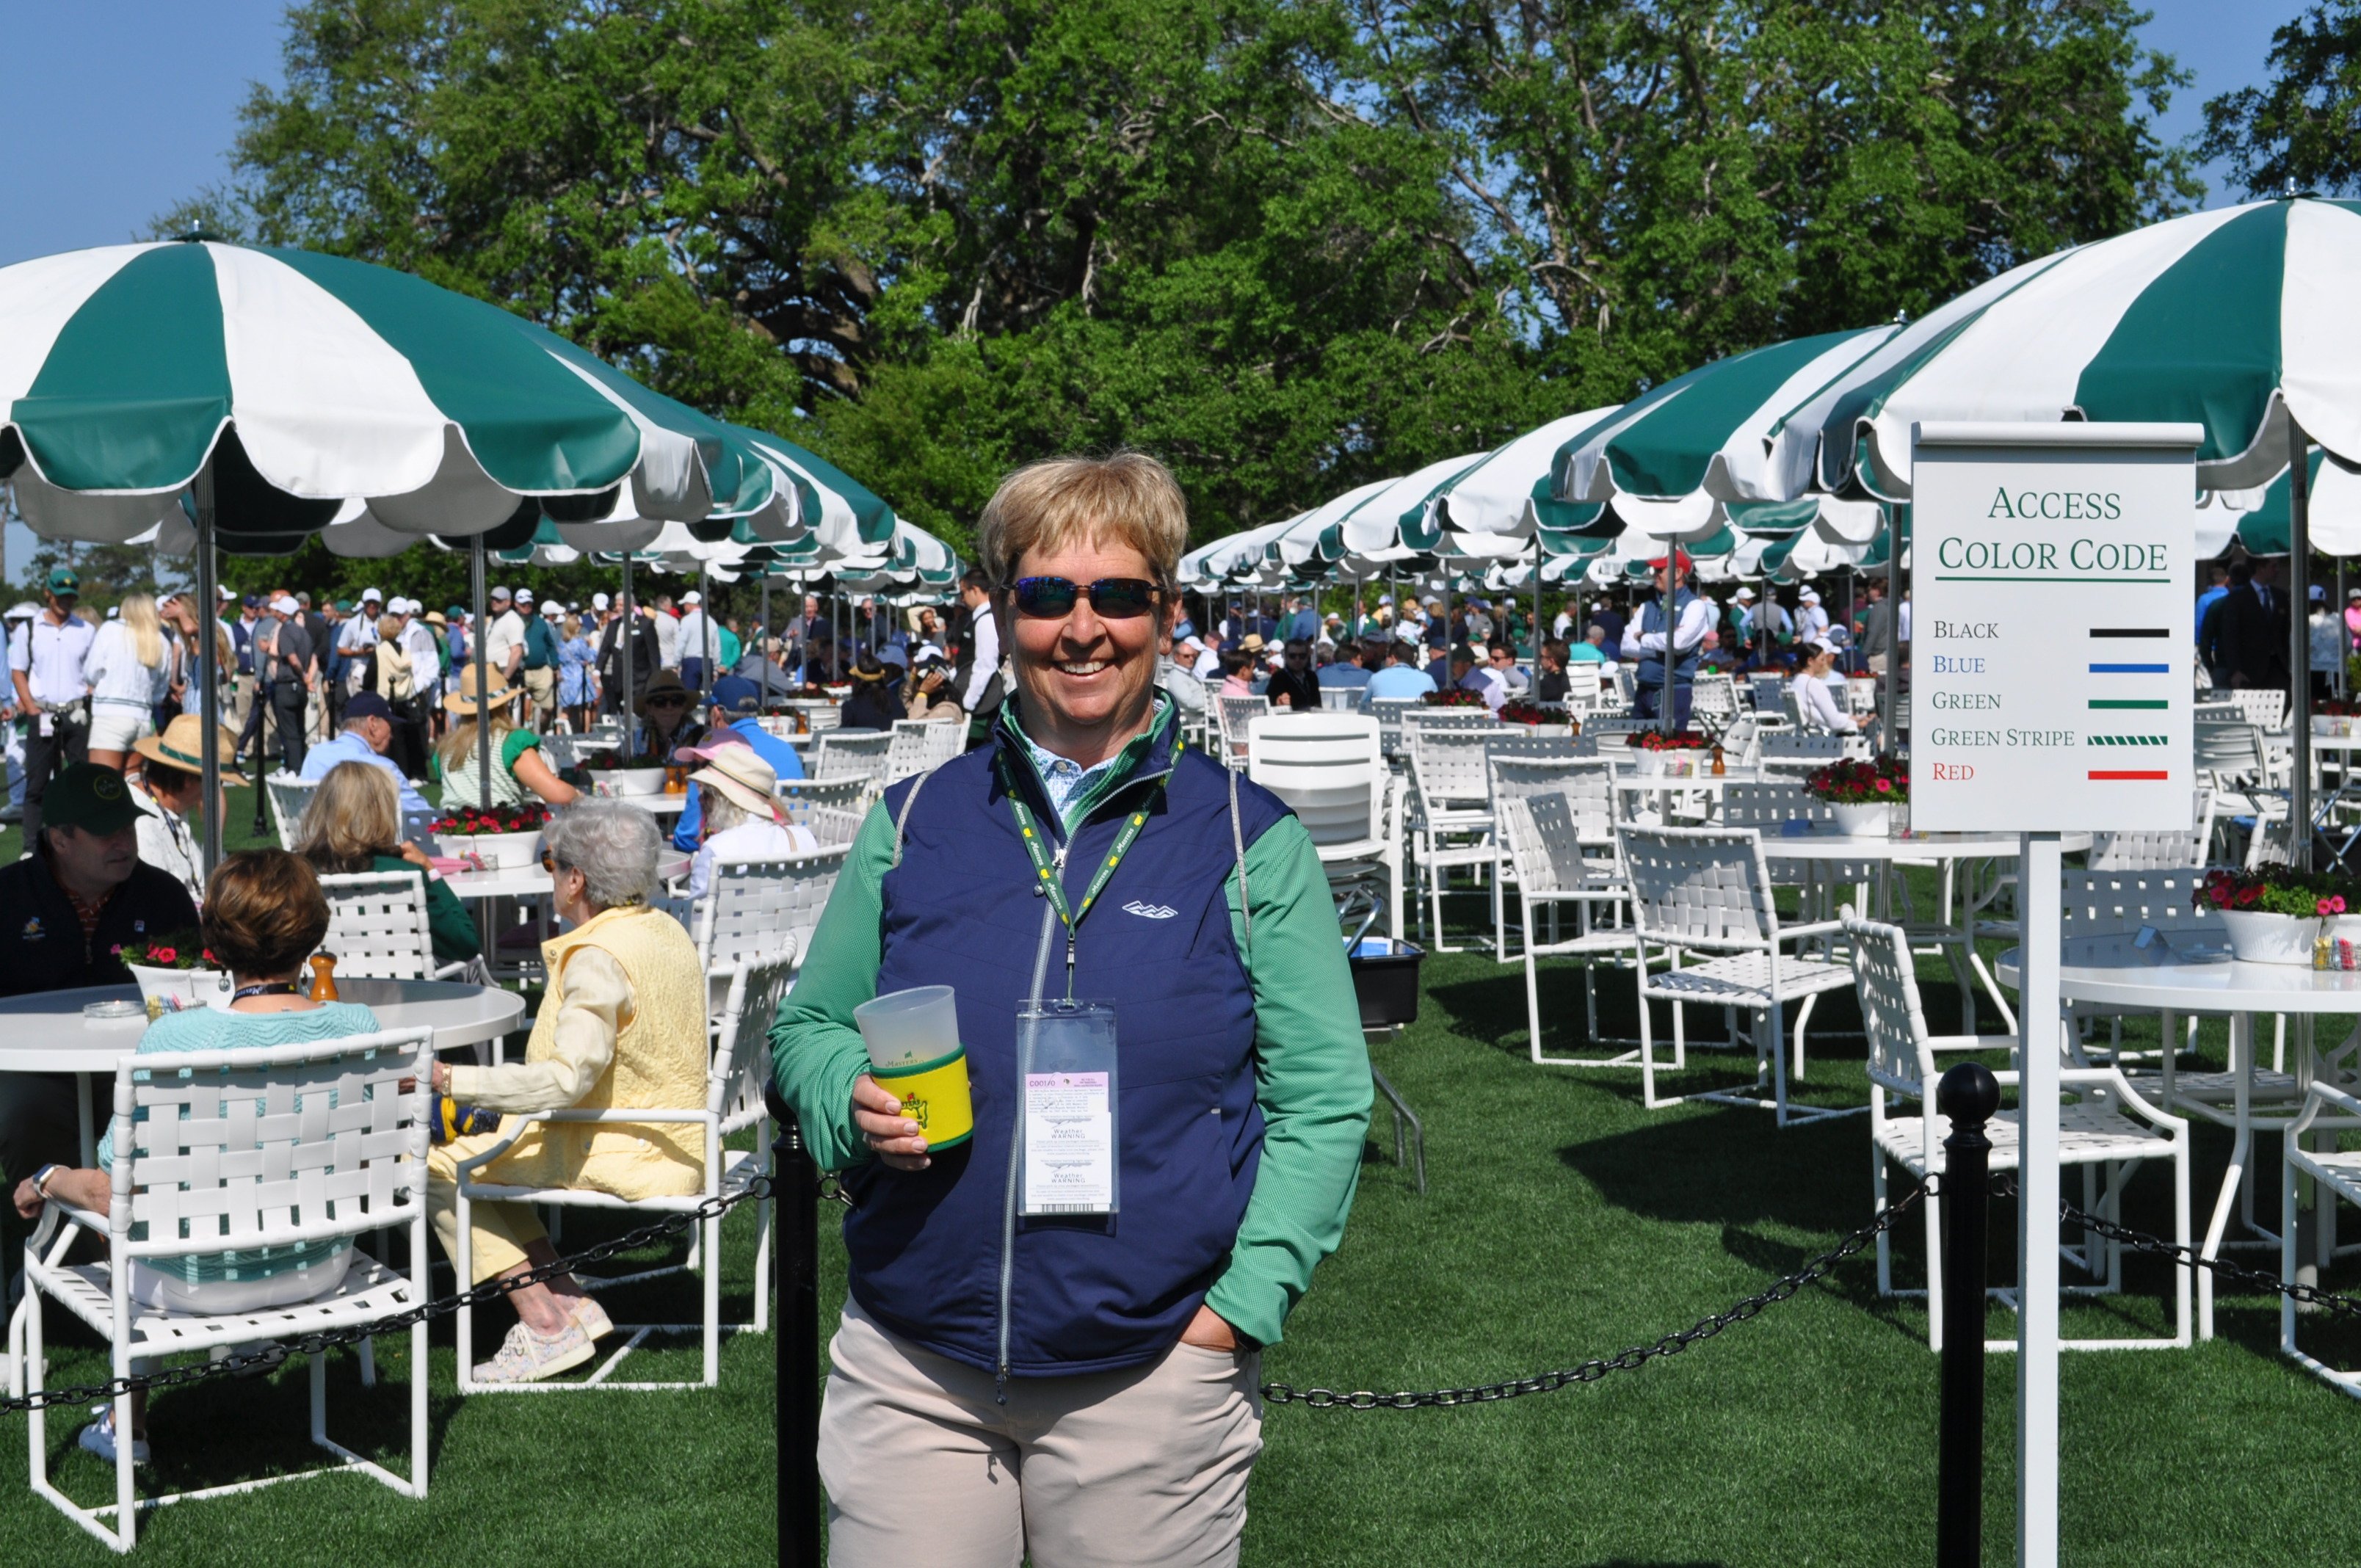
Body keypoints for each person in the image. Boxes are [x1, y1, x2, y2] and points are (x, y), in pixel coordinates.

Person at [773, 451, 1368, 1564]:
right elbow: (807, 1029)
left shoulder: (1251, 838)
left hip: (1150, 1378)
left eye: (1119, 595)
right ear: (1001, 612)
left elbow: (1326, 1101)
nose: (1082, 628)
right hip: (915, 1368)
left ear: (1167, 613)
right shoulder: (913, 819)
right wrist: (845, 1104)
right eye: (1047, 595)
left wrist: (1235, 1312)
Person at [12, 849, 386, 1462]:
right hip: (320, 1266)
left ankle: (126, 1427)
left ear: (212, 938)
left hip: (192, 1287)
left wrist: (47, 1178)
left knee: (132, 1222)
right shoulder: (358, 1024)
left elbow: (112, 1191)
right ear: (314, 930)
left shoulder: (176, 1038)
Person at [424, 802, 708, 1384]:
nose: (550, 874)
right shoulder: (666, 927)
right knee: (486, 1154)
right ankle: (569, 1301)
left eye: (553, 863)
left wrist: (452, 1081)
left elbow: (564, 1080)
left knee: (436, 1167)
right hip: (678, 1135)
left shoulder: (599, 958)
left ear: (576, 879)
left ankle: (545, 1326)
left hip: (627, 1145)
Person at [0, 763, 203, 1208]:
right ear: (59, 840)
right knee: (26, 1114)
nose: (124, 843)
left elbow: (195, 985)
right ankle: (59, 1247)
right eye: (105, 832)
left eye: (128, 827)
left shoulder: (164, 895)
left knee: (184, 1108)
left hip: (145, 1061)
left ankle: (152, 1234)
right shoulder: (9, 897)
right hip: (34, 1067)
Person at [296, 761, 478, 968]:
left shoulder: (297, 872)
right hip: (405, 992)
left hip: (324, 989)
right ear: (380, 813)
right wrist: (431, 870)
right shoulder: (406, 874)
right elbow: (465, 944)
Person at [670, 675, 808, 853]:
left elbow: (688, 836)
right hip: (795, 853)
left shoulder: (715, 758)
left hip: (734, 862)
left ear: (717, 714)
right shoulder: (788, 750)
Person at [10, 568, 95, 843]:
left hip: (76, 712)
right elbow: (18, 671)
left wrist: (90, 693)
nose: (65, 601)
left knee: (81, 778)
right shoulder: (29, 629)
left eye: (70, 596)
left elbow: (94, 670)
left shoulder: (86, 630)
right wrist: (31, 707)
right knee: (37, 783)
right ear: (48, 594)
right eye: (60, 595)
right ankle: (31, 845)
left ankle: (85, 838)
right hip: (43, 712)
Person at [679, 742, 817, 898]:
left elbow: (697, 915)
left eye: (706, 795)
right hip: (798, 922)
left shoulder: (716, 850)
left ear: (723, 800)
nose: (700, 800)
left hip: (733, 923)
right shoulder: (804, 838)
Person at [128, 714, 241, 905]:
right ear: (189, 781)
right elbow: (157, 902)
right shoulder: (139, 823)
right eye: (218, 782)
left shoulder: (171, 809)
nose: (217, 789)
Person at [301, 690, 438, 826]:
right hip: (361, 846)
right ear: (372, 723)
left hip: (313, 843)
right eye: (390, 725)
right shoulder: (382, 768)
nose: (391, 735)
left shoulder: (315, 755)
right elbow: (421, 817)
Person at [437, 686, 580, 809]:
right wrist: (578, 795)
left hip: (450, 835)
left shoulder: (445, 748)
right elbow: (559, 796)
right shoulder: (511, 742)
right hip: (502, 834)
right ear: (504, 705)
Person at [80, 592, 173, 771]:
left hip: (110, 716)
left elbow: (90, 673)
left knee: (103, 783)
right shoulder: (161, 640)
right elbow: (160, 693)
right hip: (143, 719)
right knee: (133, 785)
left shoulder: (110, 629)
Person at [1631, 552, 1711, 727]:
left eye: (1660, 570)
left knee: (1669, 748)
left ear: (1677, 573)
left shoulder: (1695, 606)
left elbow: (1677, 643)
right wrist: (1661, 642)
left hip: (1673, 690)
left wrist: (1644, 638)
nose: (1655, 574)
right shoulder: (1650, 605)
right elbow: (1627, 645)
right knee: (1634, 745)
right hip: (1644, 689)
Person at [2201, 558, 2289, 692]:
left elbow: (2285, 633)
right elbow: (2230, 636)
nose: (2277, 570)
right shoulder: (2237, 598)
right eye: (2274, 566)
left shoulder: (2280, 596)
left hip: (2277, 671)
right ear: (2261, 568)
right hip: (2248, 671)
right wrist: (2235, 670)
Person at [633, 668, 706, 761]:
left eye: (676, 701)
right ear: (649, 709)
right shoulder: (637, 740)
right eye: (660, 702)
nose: (669, 707)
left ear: (684, 707)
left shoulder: (701, 737)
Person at [1791, 639, 1860, 733]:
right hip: (1821, 736)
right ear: (1810, 661)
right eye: (1822, 659)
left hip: (1806, 733)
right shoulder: (1813, 684)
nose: (1824, 663)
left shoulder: (1796, 681)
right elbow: (1834, 722)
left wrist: (1850, 718)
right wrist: (1856, 722)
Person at [522, 592, 562, 727]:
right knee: (520, 707)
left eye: (529, 603)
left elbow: (550, 645)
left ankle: (540, 734)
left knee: (548, 708)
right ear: (516, 604)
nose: (526, 606)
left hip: (542, 670)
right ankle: (527, 731)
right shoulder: (513, 621)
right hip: (522, 671)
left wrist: (555, 665)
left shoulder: (541, 624)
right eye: (523, 604)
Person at [840, 652, 906, 731]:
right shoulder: (897, 703)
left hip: (864, 743)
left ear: (856, 680)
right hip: (892, 743)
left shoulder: (851, 707)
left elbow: (842, 738)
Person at [1363, 634, 1438, 701]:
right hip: (1416, 716)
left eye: (1387, 657)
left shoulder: (1376, 678)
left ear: (1393, 658)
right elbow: (1436, 705)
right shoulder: (1427, 679)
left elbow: (1363, 705)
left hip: (1384, 716)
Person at [559, 612, 598, 733]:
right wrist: (591, 646)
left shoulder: (562, 643)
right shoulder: (579, 642)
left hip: (566, 679)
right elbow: (590, 658)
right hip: (579, 678)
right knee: (585, 708)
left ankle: (558, 735)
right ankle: (585, 734)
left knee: (565, 711)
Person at [1263, 638, 1323, 711]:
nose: (1297, 660)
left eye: (1302, 656)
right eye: (1292, 656)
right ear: (1286, 657)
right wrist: (1278, 703)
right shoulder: (1278, 678)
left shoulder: (1311, 676)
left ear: (1307, 657)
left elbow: (1318, 703)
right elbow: (1268, 703)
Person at [1450, 645, 1506, 713]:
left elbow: (1482, 713)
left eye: (1454, 665)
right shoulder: (1468, 679)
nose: (1451, 669)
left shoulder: (1477, 684)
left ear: (1467, 665)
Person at [1534, 639, 1572, 704]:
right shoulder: (1565, 678)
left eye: (1541, 656)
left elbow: (1530, 701)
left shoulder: (1546, 684)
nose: (1540, 659)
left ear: (1550, 662)